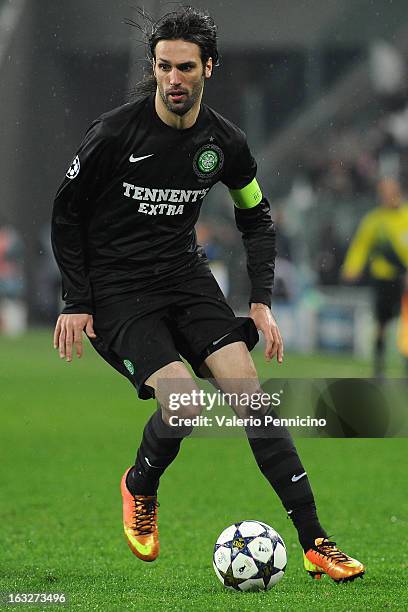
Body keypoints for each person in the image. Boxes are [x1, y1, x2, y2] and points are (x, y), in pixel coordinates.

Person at [52, 7, 364, 582]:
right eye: (165, 66)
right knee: (186, 405)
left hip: (184, 278)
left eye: (186, 67)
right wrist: (78, 300)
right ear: (155, 67)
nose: (174, 78)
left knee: (254, 400)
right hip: (120, 291)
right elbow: (66, 211)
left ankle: (317, 542)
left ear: (208, 69)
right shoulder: (116, 133)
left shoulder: (225, 142)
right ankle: (139, 484)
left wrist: (262, 299)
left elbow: (257, 217)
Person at [342, 176, 408, 378]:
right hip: (383, 280)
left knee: (406, 325)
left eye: (391, 192)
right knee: (382, 323)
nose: (387, 197)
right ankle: (378, 370)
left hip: (404, 280)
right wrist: (351, 266)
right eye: (384, 193)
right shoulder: (374, 220)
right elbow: (361, 245)